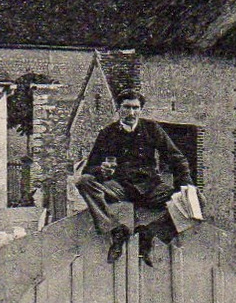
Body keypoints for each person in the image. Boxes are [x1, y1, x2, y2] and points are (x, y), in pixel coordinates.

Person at [76, 91, 194, 265]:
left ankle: (150, 232)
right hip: (120, 188)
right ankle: (115, 230)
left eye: (136, 108)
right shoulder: (107, 133)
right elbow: (89, 169)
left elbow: (177, 158)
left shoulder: (152, 129)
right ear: (118, 109)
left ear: (141, 109)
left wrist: (185, 186)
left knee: (196, 200)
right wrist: (101, 170)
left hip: (151, 188)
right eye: (127, 107)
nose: (131, 113)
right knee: (83, 181)